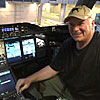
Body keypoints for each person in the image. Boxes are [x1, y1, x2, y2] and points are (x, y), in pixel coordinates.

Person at [16, 5, 100, 100]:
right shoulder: (68, 44)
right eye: (71, 24)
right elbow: (54, 68)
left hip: (89, 96)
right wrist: (28, 79)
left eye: (80, 23)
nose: (76, 29)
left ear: (92, 24)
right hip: (70, 88)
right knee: (33, 86)